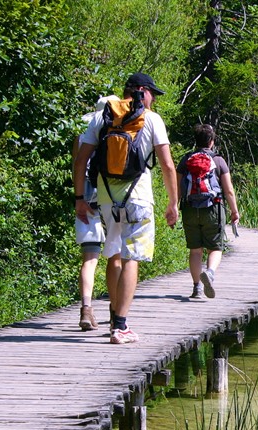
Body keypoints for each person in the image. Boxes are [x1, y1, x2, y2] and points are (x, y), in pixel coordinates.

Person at [73, 73, 179, 344]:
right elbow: (167, 165)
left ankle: (113, 318)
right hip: (139, 198)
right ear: (142, 92)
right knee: (133, 257)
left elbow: (81, 159)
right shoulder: (152, 120)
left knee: (114, 253)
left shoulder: (102, 117)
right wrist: (173, 203)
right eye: (152, 94)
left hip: (106, 197)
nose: (153, 99)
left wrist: (79, 198)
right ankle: (120, 326)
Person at [175, 123, 240, 299]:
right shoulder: (218, 161)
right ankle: (210, 273)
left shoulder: (185, 160)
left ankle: (196, 288)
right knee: (215, 248)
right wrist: (234, 212)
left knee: (195, 250)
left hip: (189, 209)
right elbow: (228, 190)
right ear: (211, 141)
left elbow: (177, 188)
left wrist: (173, 206)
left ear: (196, 140)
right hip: (213, 208)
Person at [74, 95, 120, 331]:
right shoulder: (118, 126)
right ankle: (115, 314)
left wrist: (78, 199)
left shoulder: (83, 129)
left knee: (90, 258)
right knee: (115, 256)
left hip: (87, 199)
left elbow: (78, 165)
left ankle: (86, 309)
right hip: (111, 198)